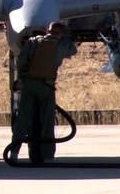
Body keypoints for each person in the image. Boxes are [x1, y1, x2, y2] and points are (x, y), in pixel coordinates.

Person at [11, 21, 77, 162]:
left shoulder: (33, 41)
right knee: (47, 122)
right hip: (47, 87)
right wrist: (65, 36)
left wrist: (23, 79)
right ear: (62, 33)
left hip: (29, 84)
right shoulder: (62, 45)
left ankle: (14, 153)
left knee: (22, 120)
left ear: (48, 30)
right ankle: (48, 156)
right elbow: (73, 50)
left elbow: (21, 60)